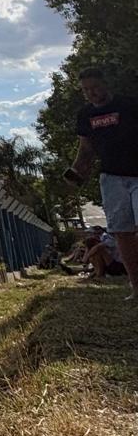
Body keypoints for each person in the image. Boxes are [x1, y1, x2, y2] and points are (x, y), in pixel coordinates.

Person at [65, 66, 138, 301]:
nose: (92, 93)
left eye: (95, 87)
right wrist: (76, 172)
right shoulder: (85, 115)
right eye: (86, 90)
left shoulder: (129, 105)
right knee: (122, 232)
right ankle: (136, 287)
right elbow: (86, 150)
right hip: (111, 178)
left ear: (106, 83)